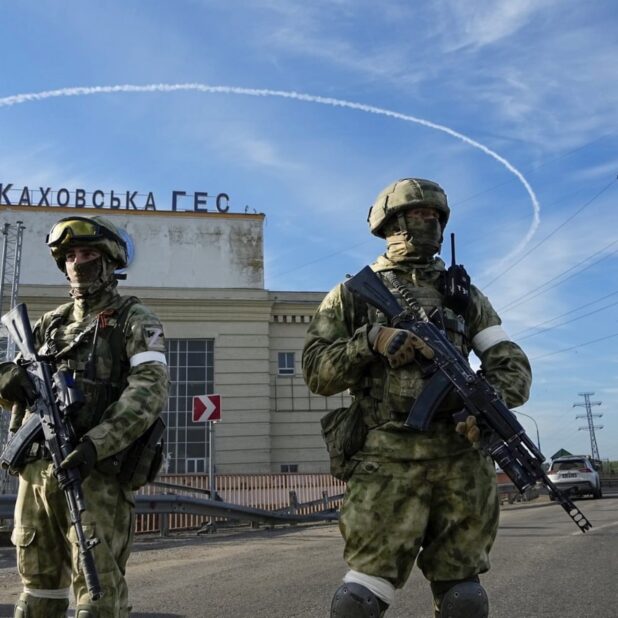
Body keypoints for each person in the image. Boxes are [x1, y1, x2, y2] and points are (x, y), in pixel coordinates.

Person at [302, 178, 532, 617]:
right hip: (387, 459)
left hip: (460, 460)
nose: (430, 223)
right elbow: (316, 371)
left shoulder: (463, 295)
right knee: (359, 601)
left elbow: (511, 363)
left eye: (435, 217)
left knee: (464, 599)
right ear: (392, 223)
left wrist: (488, 405)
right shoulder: (351, 294)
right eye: (419, 214)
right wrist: (369, 341)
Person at [0, 215, 170, 618]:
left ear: (109, 261)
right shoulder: (49, 324)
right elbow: (14, 386)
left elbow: (149, 391)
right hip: (37, 473)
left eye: (88, 254)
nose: (77, 263)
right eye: (70, 255)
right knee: (36, 596)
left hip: (94, 474)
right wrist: (9, 382)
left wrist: (97, 444)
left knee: (97, 598)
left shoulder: (135, 320)